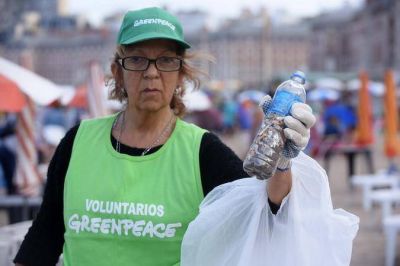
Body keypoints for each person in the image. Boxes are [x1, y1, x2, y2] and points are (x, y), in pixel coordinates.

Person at [14, 7, 315, 266]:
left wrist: (282, 165)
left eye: (166, 60)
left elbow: (264, 213)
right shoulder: (78, 141)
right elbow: (45, 236)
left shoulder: (201, 152)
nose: (151, 73)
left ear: (181, 74)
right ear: (117, 72)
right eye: (137, 60)